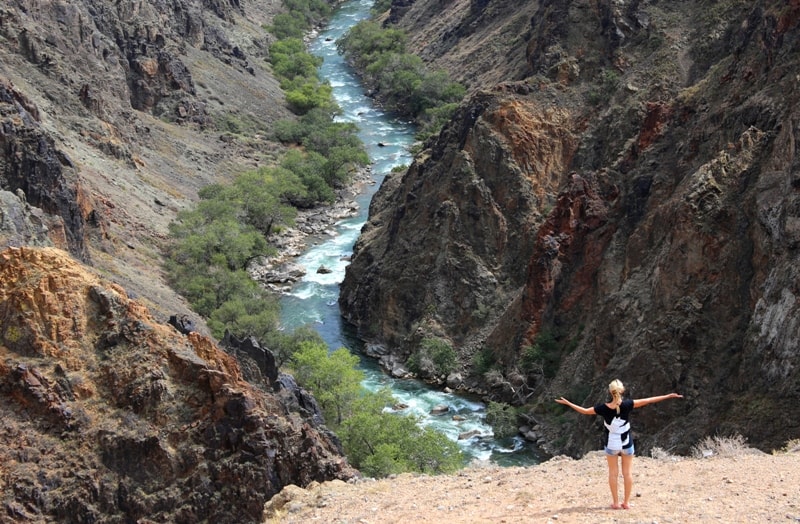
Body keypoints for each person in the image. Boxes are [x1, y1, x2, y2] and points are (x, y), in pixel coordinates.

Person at [555, 379, 683, 510]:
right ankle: (626, 503)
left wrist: (568, 403)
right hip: (627, 443)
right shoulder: (628, 404)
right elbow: (648, 400)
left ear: (610, 392)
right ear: (622, 391)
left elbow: (585, 411)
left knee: (613, 474)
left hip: (611, 445)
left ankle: (615, 503)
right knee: (627, 473)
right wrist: (668, 396)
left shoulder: (603, 408)